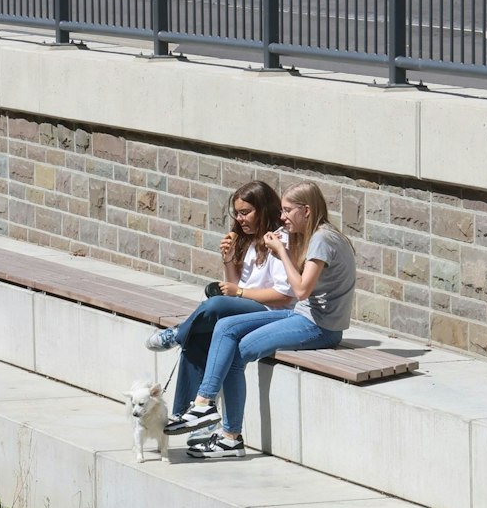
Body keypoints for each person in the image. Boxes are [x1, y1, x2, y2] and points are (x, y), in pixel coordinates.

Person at [167, 182, 355, 459]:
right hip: (300, 316)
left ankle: (229, 436)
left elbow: (300, 290)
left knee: (236, 351)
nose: (283, 217)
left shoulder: (323, 240)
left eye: (288, 210)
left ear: (307, 210)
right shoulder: (314, 236)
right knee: (226, 326)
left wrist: (281, 253)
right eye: (282, 210)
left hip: (319, 327)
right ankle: (204, 403)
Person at [145, 181, 294, 420]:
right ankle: (188, 414)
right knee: (197, 338)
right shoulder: (249, 239)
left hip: (270, 311)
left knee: (214, 306)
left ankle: (177, 333)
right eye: (237, 213)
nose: (240, 218)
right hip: (245, 304)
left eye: (246, 212)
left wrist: (239, 293)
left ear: (263, 209)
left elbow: (284, 294)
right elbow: (236, 287)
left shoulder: (278, 240)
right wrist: (228, 259)